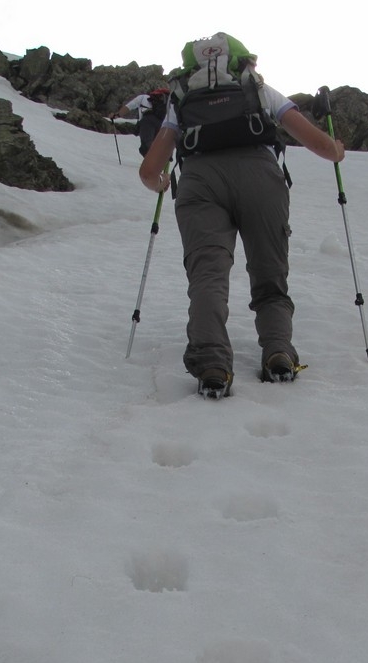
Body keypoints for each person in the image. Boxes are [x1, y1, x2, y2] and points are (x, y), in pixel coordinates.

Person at [138, 34, 345, 398]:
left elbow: (150, 170)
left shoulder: (182, 97)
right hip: (260, 178)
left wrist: (159, 184)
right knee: (270, 275)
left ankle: (212, 364)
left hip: (200, 181)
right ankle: (278, 353)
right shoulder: (258, 89)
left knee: (208, 274)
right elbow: (321, 146)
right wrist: (336, 149)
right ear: (240, 59)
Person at [112, 89, 169, 156]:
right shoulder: (167, 103)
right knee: (160, 147)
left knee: (146, 147)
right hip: (163, 125)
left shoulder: (143, 98)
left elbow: (129, 107)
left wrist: (117, 115)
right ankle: (162, 163)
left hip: (146, 124)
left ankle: (150, 163)